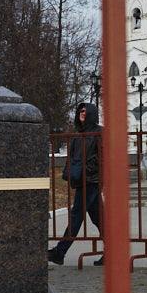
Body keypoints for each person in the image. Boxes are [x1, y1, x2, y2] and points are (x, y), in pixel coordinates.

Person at [49, 102, 103, 266]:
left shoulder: (99, 133)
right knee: (100, 219)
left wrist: (86, 170)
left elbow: (102, 157)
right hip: (82, 180)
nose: (82, 112)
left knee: (76, 214)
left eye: (86, 111)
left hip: (91, 181)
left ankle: (60, 252)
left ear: (92, 114)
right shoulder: (79, 134)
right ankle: (115, 253)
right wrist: (70, 171)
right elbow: (73, 158)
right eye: (80, 110)